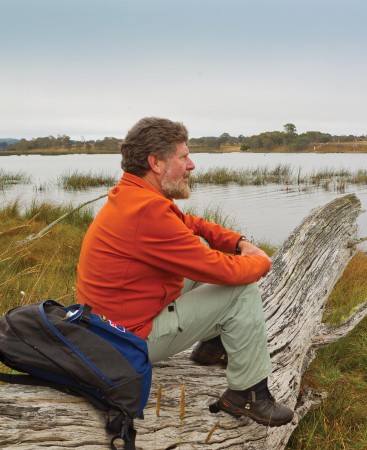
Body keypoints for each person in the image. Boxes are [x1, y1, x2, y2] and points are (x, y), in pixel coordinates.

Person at [76, 117, 293, 426]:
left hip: (109, 328)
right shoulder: (147, 211)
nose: (191, 164)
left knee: (200, 243)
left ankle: (213, 345)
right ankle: (247, 395)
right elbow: (224, 272)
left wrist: (238, 241)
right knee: (242, 290)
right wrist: (261, 262)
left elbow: (191, 225)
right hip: (127, 342)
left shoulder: (133, 194)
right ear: (156, 163)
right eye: (183, 156)